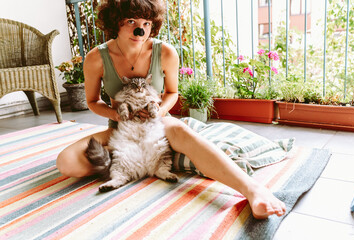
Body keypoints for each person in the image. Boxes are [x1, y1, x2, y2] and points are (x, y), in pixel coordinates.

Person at [56, 0, 286, 219]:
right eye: (131, 22)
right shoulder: (96, 57)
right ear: (115, 21)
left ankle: (253, 190)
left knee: (181, 133)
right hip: (122, 128)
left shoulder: (165, 52)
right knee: (66, 162)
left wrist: (159, 108)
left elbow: (172, 93)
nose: (140, 30)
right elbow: (93, 101)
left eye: (146, 23)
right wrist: (116, 114)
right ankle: (146, 159)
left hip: (156, 123)